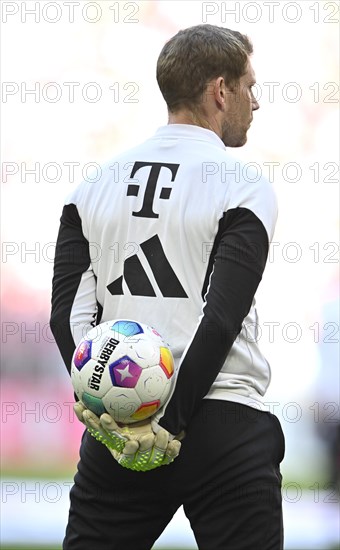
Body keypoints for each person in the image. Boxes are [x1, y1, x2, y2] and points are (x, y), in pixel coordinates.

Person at [50, 23, 285, 550]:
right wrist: (171, 427)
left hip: (123, 425)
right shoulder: (242, 184)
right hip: (224, 418)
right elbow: (221, 317)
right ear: (220, 90)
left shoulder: (90, 187)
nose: (257, 101)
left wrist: (115, 417)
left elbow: (66, 320)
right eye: (251, 85)